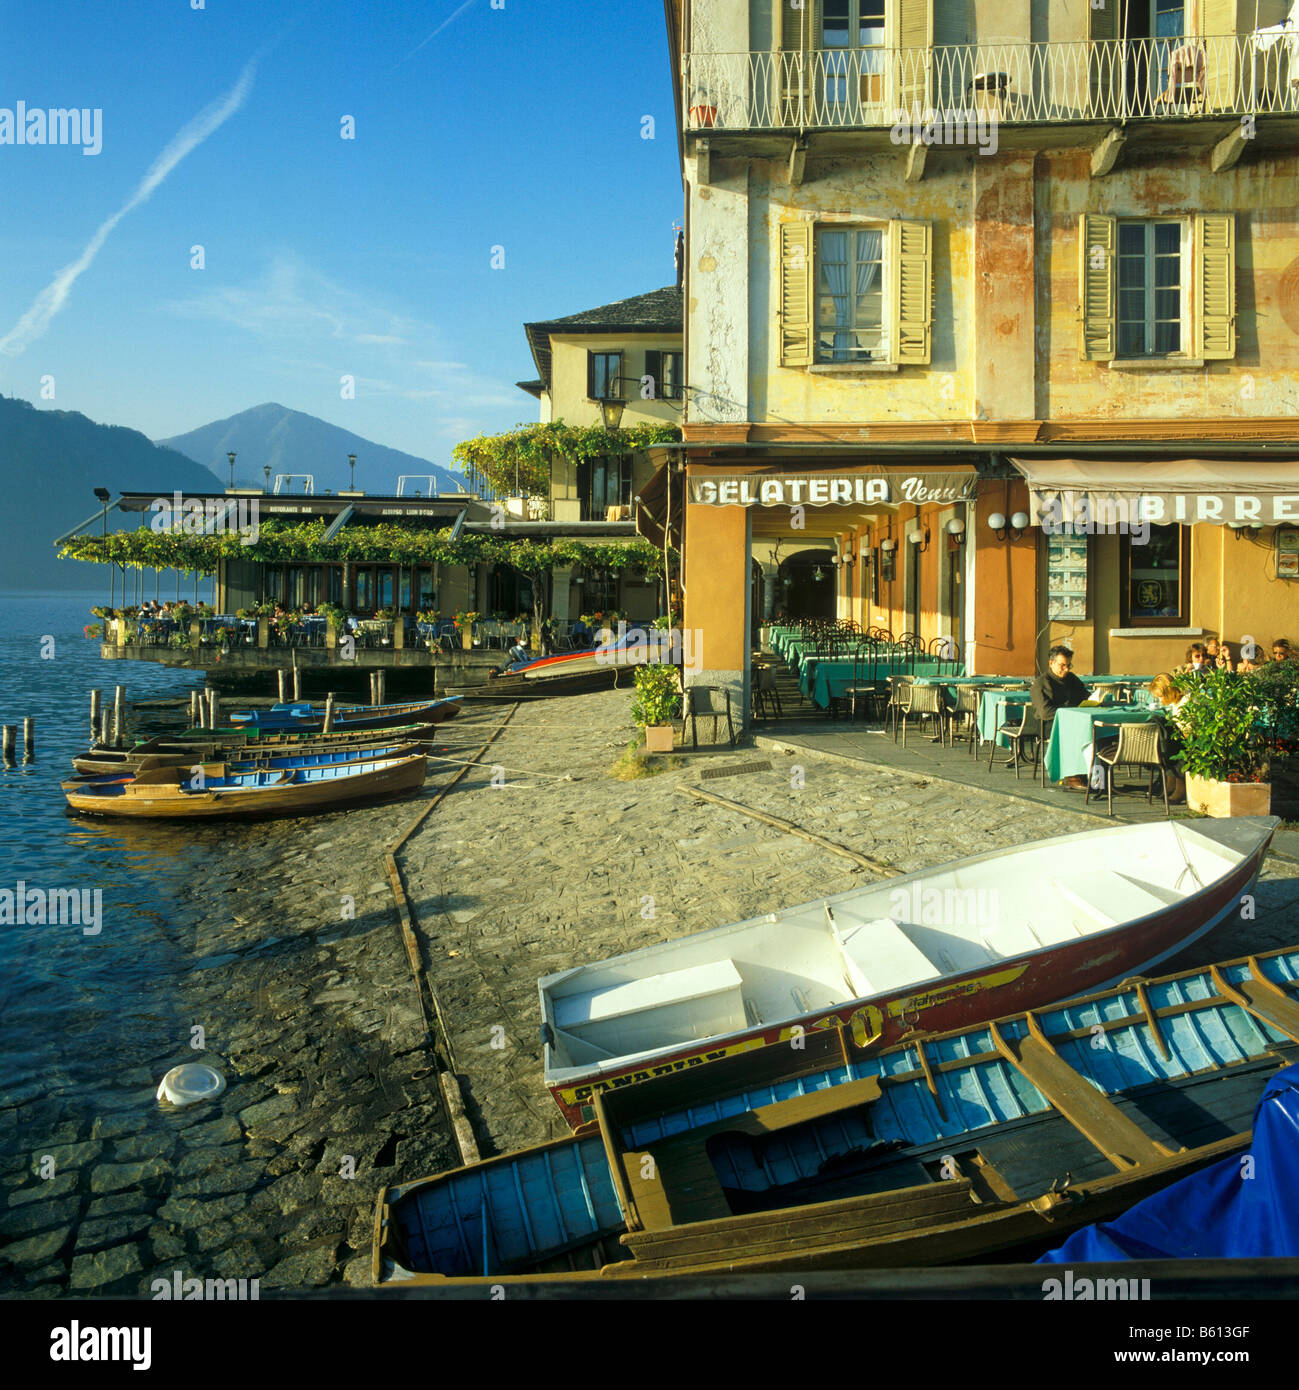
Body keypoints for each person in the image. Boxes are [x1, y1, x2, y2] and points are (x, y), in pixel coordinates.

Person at [1032, 646, 1092, 790]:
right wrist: (1069, 713)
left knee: (1094, 730)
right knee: (1074, 733)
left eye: (1069, 665)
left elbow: (1086, 696)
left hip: (1074, 721)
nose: (1066, 669)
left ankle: (1096, 775)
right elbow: (1046, 712)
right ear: (1051, 663)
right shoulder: (1040, 684)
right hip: (1048, 725)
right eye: (1062, 665)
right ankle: (1072, 776)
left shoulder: (1072, 679)